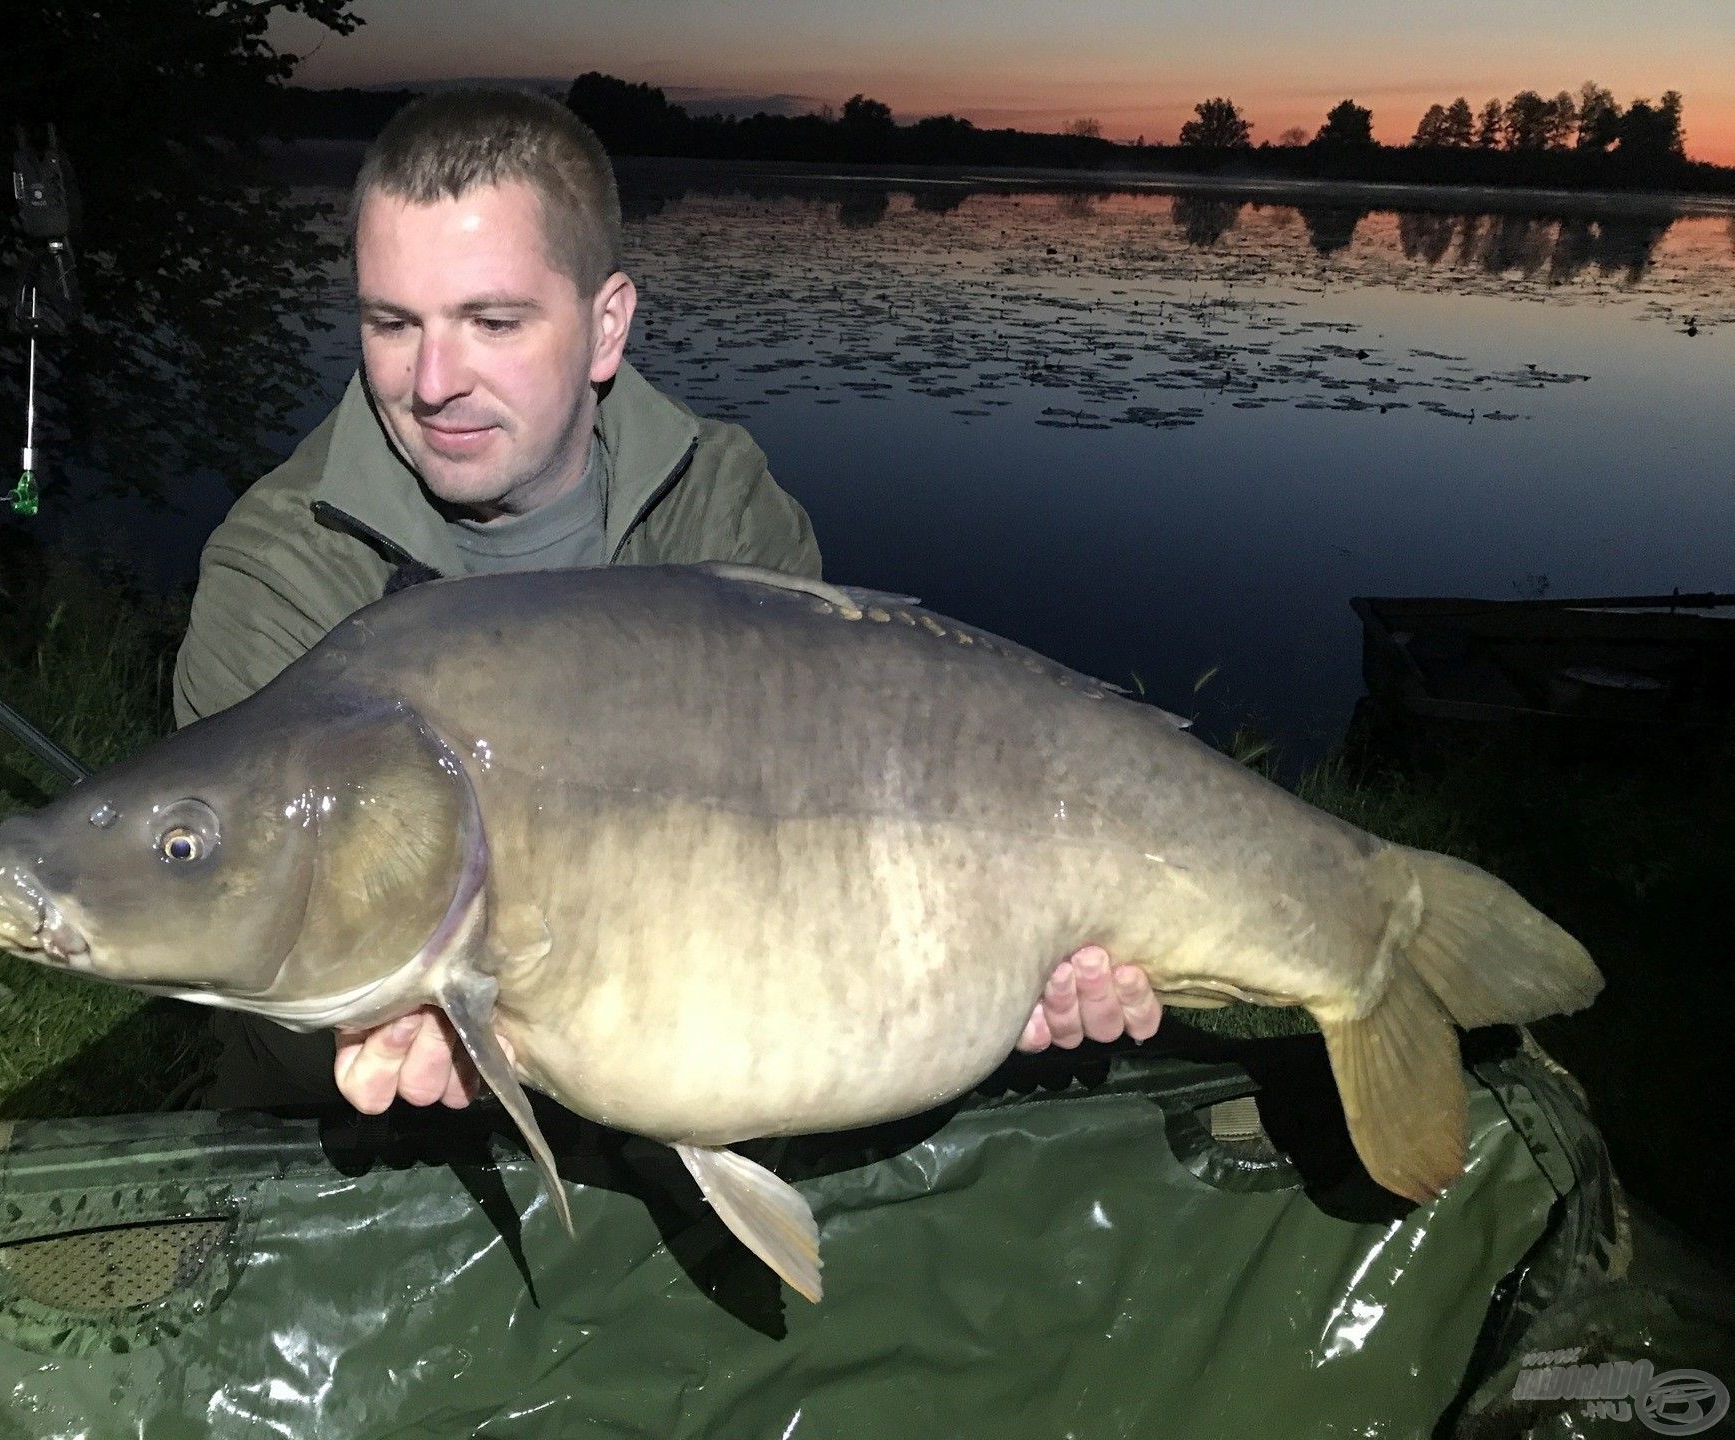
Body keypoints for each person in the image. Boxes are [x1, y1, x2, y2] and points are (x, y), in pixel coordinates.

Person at [172, 87, 1161, 1114]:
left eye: (493, 321)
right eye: (393, 323)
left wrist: (999, 965)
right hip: (360, 1154)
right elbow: (246, 950)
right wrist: (351, 1030)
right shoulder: (284, 566)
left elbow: (814, 872)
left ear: (606, 329)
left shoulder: (723, 514)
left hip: (682, 1076)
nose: (432, 381)